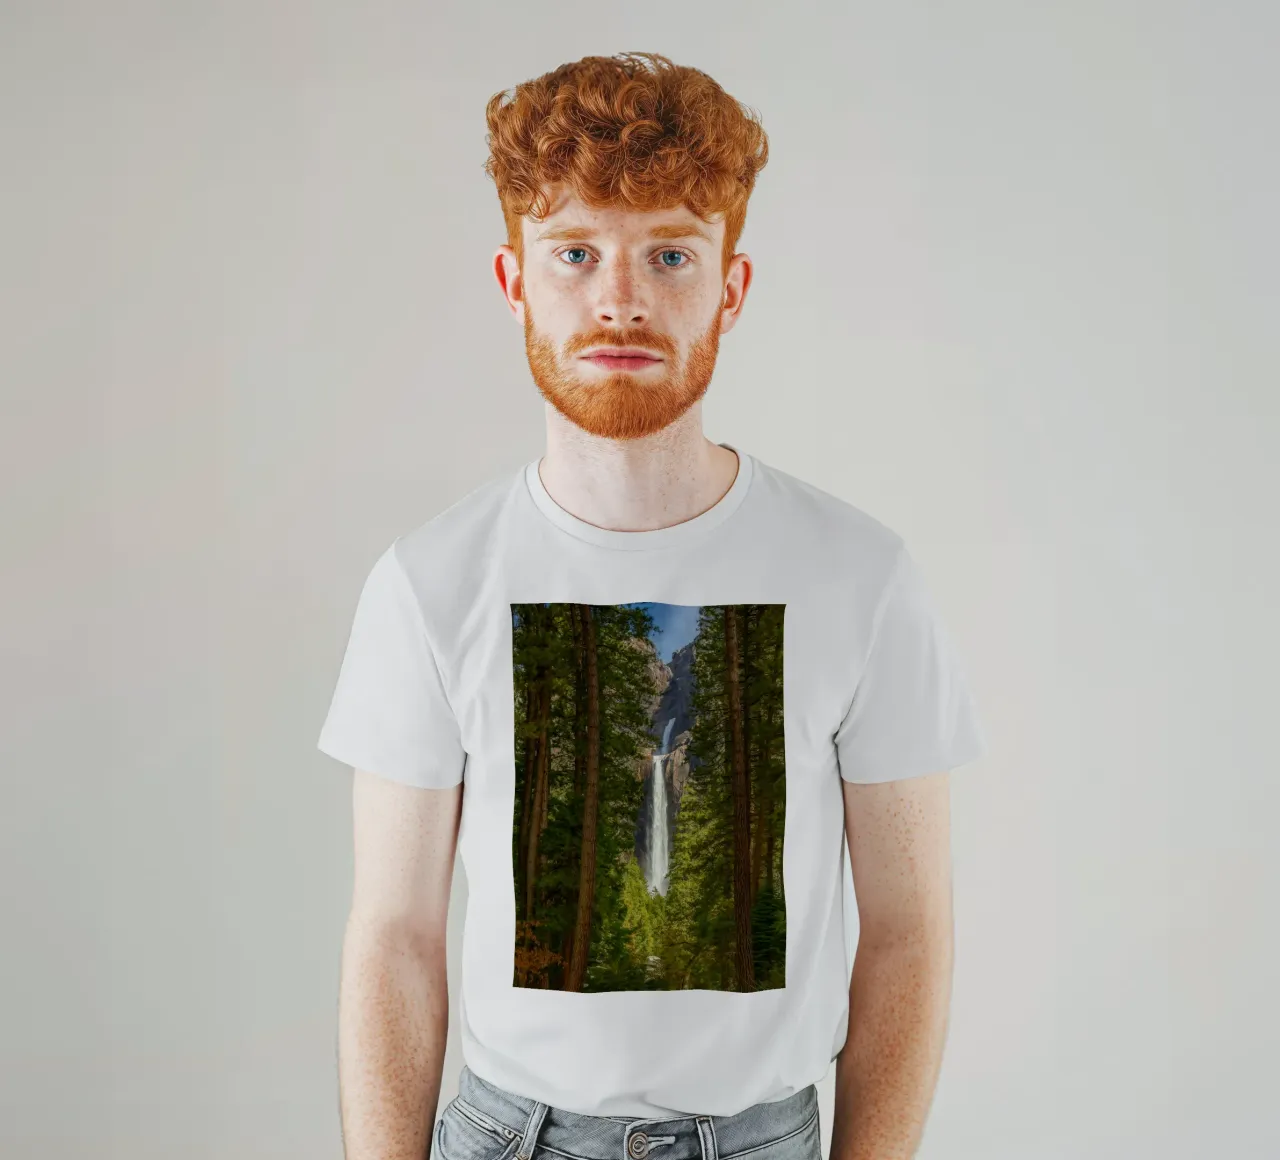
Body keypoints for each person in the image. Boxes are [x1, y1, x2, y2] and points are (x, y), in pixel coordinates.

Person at [317, 51, 987, 1160]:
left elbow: (909, 932)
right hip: (507, 1133)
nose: (617, 297)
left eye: (668, 252)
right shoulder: (427, 582)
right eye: (573, 252)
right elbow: (393, 936)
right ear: (514, 280)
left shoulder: (859, 577)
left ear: (729, 284)